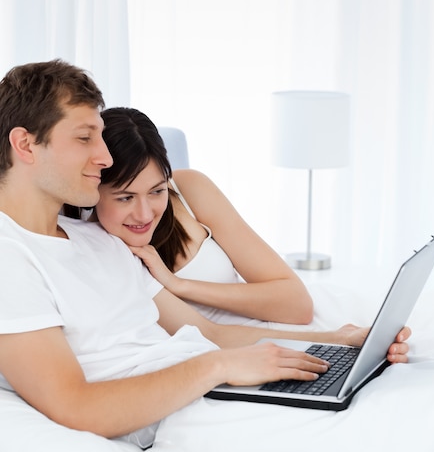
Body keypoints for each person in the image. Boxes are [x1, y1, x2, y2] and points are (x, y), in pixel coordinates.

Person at [0, 59, 410, 449]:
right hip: (189, 410)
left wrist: (336, 343)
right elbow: (76, 406)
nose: (104, 157)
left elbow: (207, 332)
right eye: (85, 137)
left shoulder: (96, 238)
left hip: (214, 389)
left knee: (392, 412)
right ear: (25, 145)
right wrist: (219, 367)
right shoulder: (10, 255)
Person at [74, 106, 314, 326]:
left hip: (278, 327)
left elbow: (297, 304)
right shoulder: (83, 241)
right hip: (233, 352)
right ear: (94, 187)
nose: (145, 214)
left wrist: (180, 285)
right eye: (125, 198)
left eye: (157, 191)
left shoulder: (190, 189)